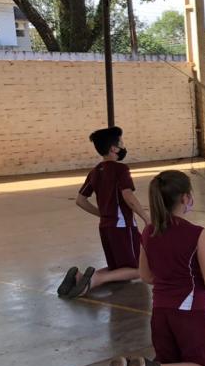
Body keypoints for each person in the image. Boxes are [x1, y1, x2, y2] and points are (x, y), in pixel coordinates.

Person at [101, 170, 205, 366]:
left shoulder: (149, 232)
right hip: (190, 313)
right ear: (185, 198)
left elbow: (146, 276)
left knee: (170, 362)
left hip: (160, 314)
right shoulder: (196, 233)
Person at [60, 126, 151, 299]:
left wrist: (102, 215)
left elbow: (80, 200)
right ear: (114, 148)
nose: (123, 146)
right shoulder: (121, 169)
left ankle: (80, 277)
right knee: (140, 269)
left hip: (105, 227)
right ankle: (95, 280)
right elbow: (128, 196)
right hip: (123, 227)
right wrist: (146, 218)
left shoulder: (95, 172)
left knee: (119, 268)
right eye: (121, 143)